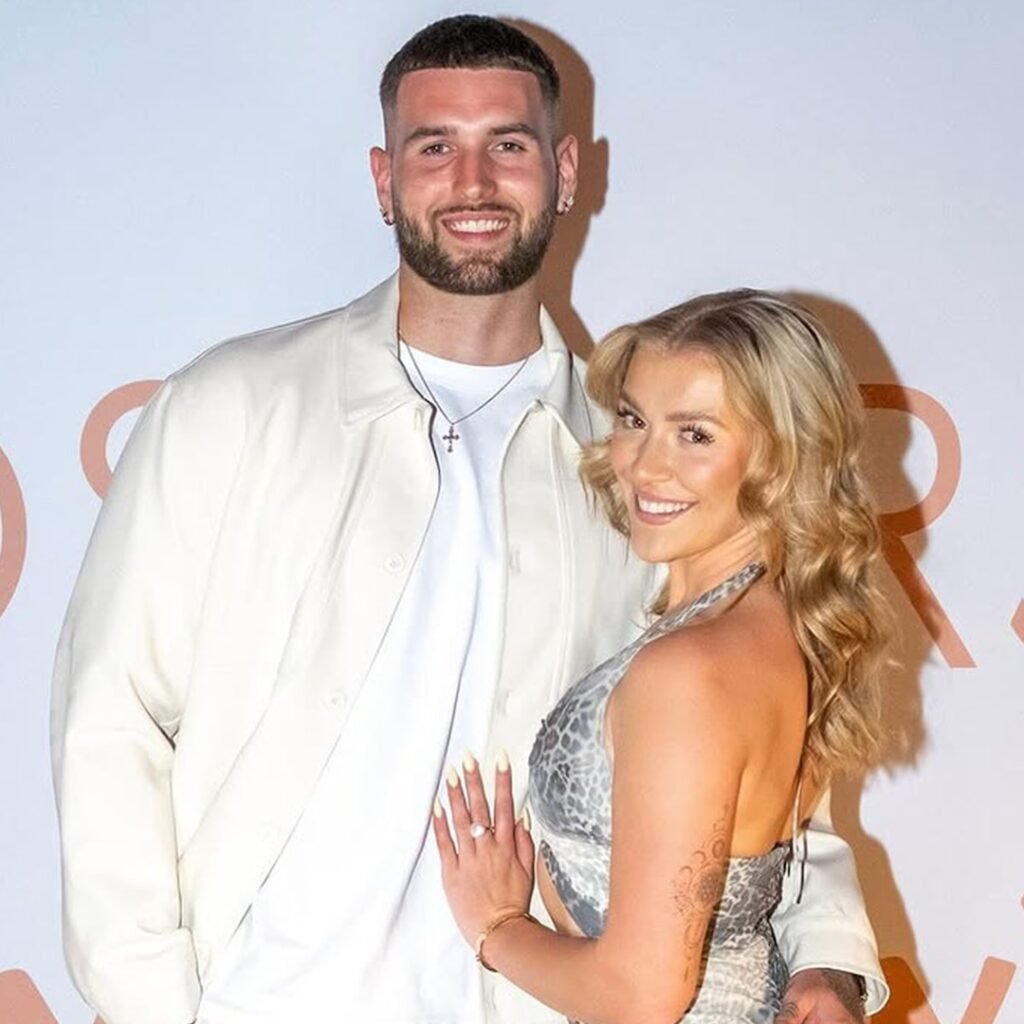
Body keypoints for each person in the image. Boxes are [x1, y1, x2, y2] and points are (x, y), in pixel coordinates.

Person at [50, 16, 886, 1024]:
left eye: (509, 144)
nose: (473, 180)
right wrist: (148, 1006)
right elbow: (110, 719)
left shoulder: (636, 464)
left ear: (565, 172)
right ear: (383, 179)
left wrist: (824, 954)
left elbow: (749, 743)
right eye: (434, 146)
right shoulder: (230, 408)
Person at [433, 289, 892, 1023]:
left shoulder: (691, 669)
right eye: (634, 419)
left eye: (695, 435)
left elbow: (640, 995)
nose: (645, 467)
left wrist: (496, 927)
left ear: (782, 457)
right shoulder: (765, 620)